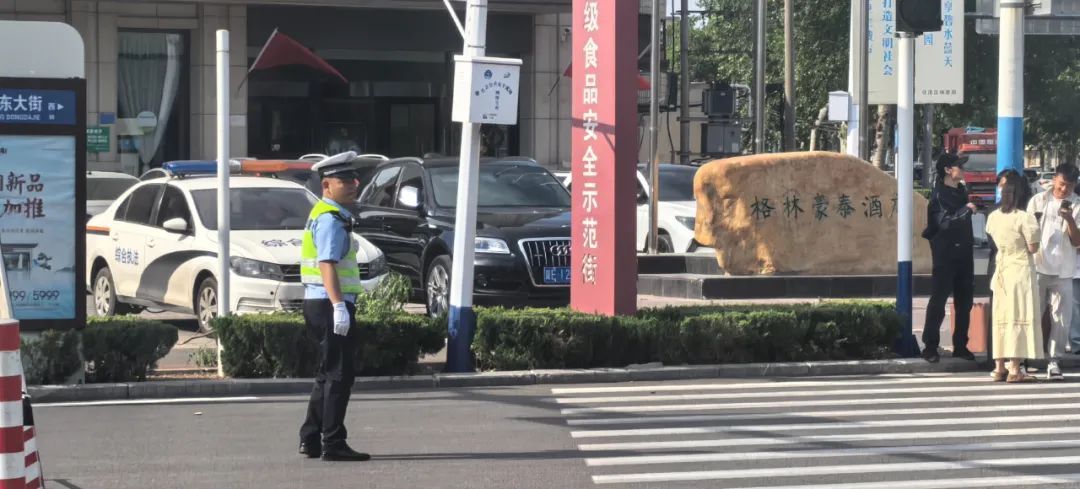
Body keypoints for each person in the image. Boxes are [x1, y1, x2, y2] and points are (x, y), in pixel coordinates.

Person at [297, 151, 370, 461]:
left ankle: (311, 438)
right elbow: (327, 264)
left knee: (326, 374)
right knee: (339, 375)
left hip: (320, 304)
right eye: (345, 180)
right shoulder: (330, 219)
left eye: (354, 179)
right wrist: (339, 305)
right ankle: (333, 443)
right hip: (329, 305)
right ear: (327, 184)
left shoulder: (328, 213)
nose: (353, 184)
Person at [985, 170, 1043, 382]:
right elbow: (1033, 247)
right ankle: (1015, 369)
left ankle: (999, 366)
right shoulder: (1025, 218)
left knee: (1001, 318)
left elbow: (993, 239)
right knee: (1018, 318)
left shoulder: (993, 217)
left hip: (1001, 269)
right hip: (1020, 271)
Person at [920, 153, 977, 363]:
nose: (963, 170)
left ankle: (960, 345)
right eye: (959, 166)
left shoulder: (961, 191)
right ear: (947, 170)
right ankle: (930, 347)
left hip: (964, 253)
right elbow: (944, 223)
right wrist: (966, 211)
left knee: (965, 302)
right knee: (939, 300)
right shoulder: (938, 196)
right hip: (945, 254)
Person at [1027, 163, 1080, 380]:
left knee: (1061, 318)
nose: (1063, 190)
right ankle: (1027, 357)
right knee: (1033, 314)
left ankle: (1054, 360)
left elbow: (1077, 242)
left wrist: (1069, 219)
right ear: (1054, 181)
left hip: (1064, 270)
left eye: (1068, 186)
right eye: (1060, 185)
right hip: (1038, 267)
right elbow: (1027, 231)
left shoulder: (1077, 205)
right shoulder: (1039, 200)